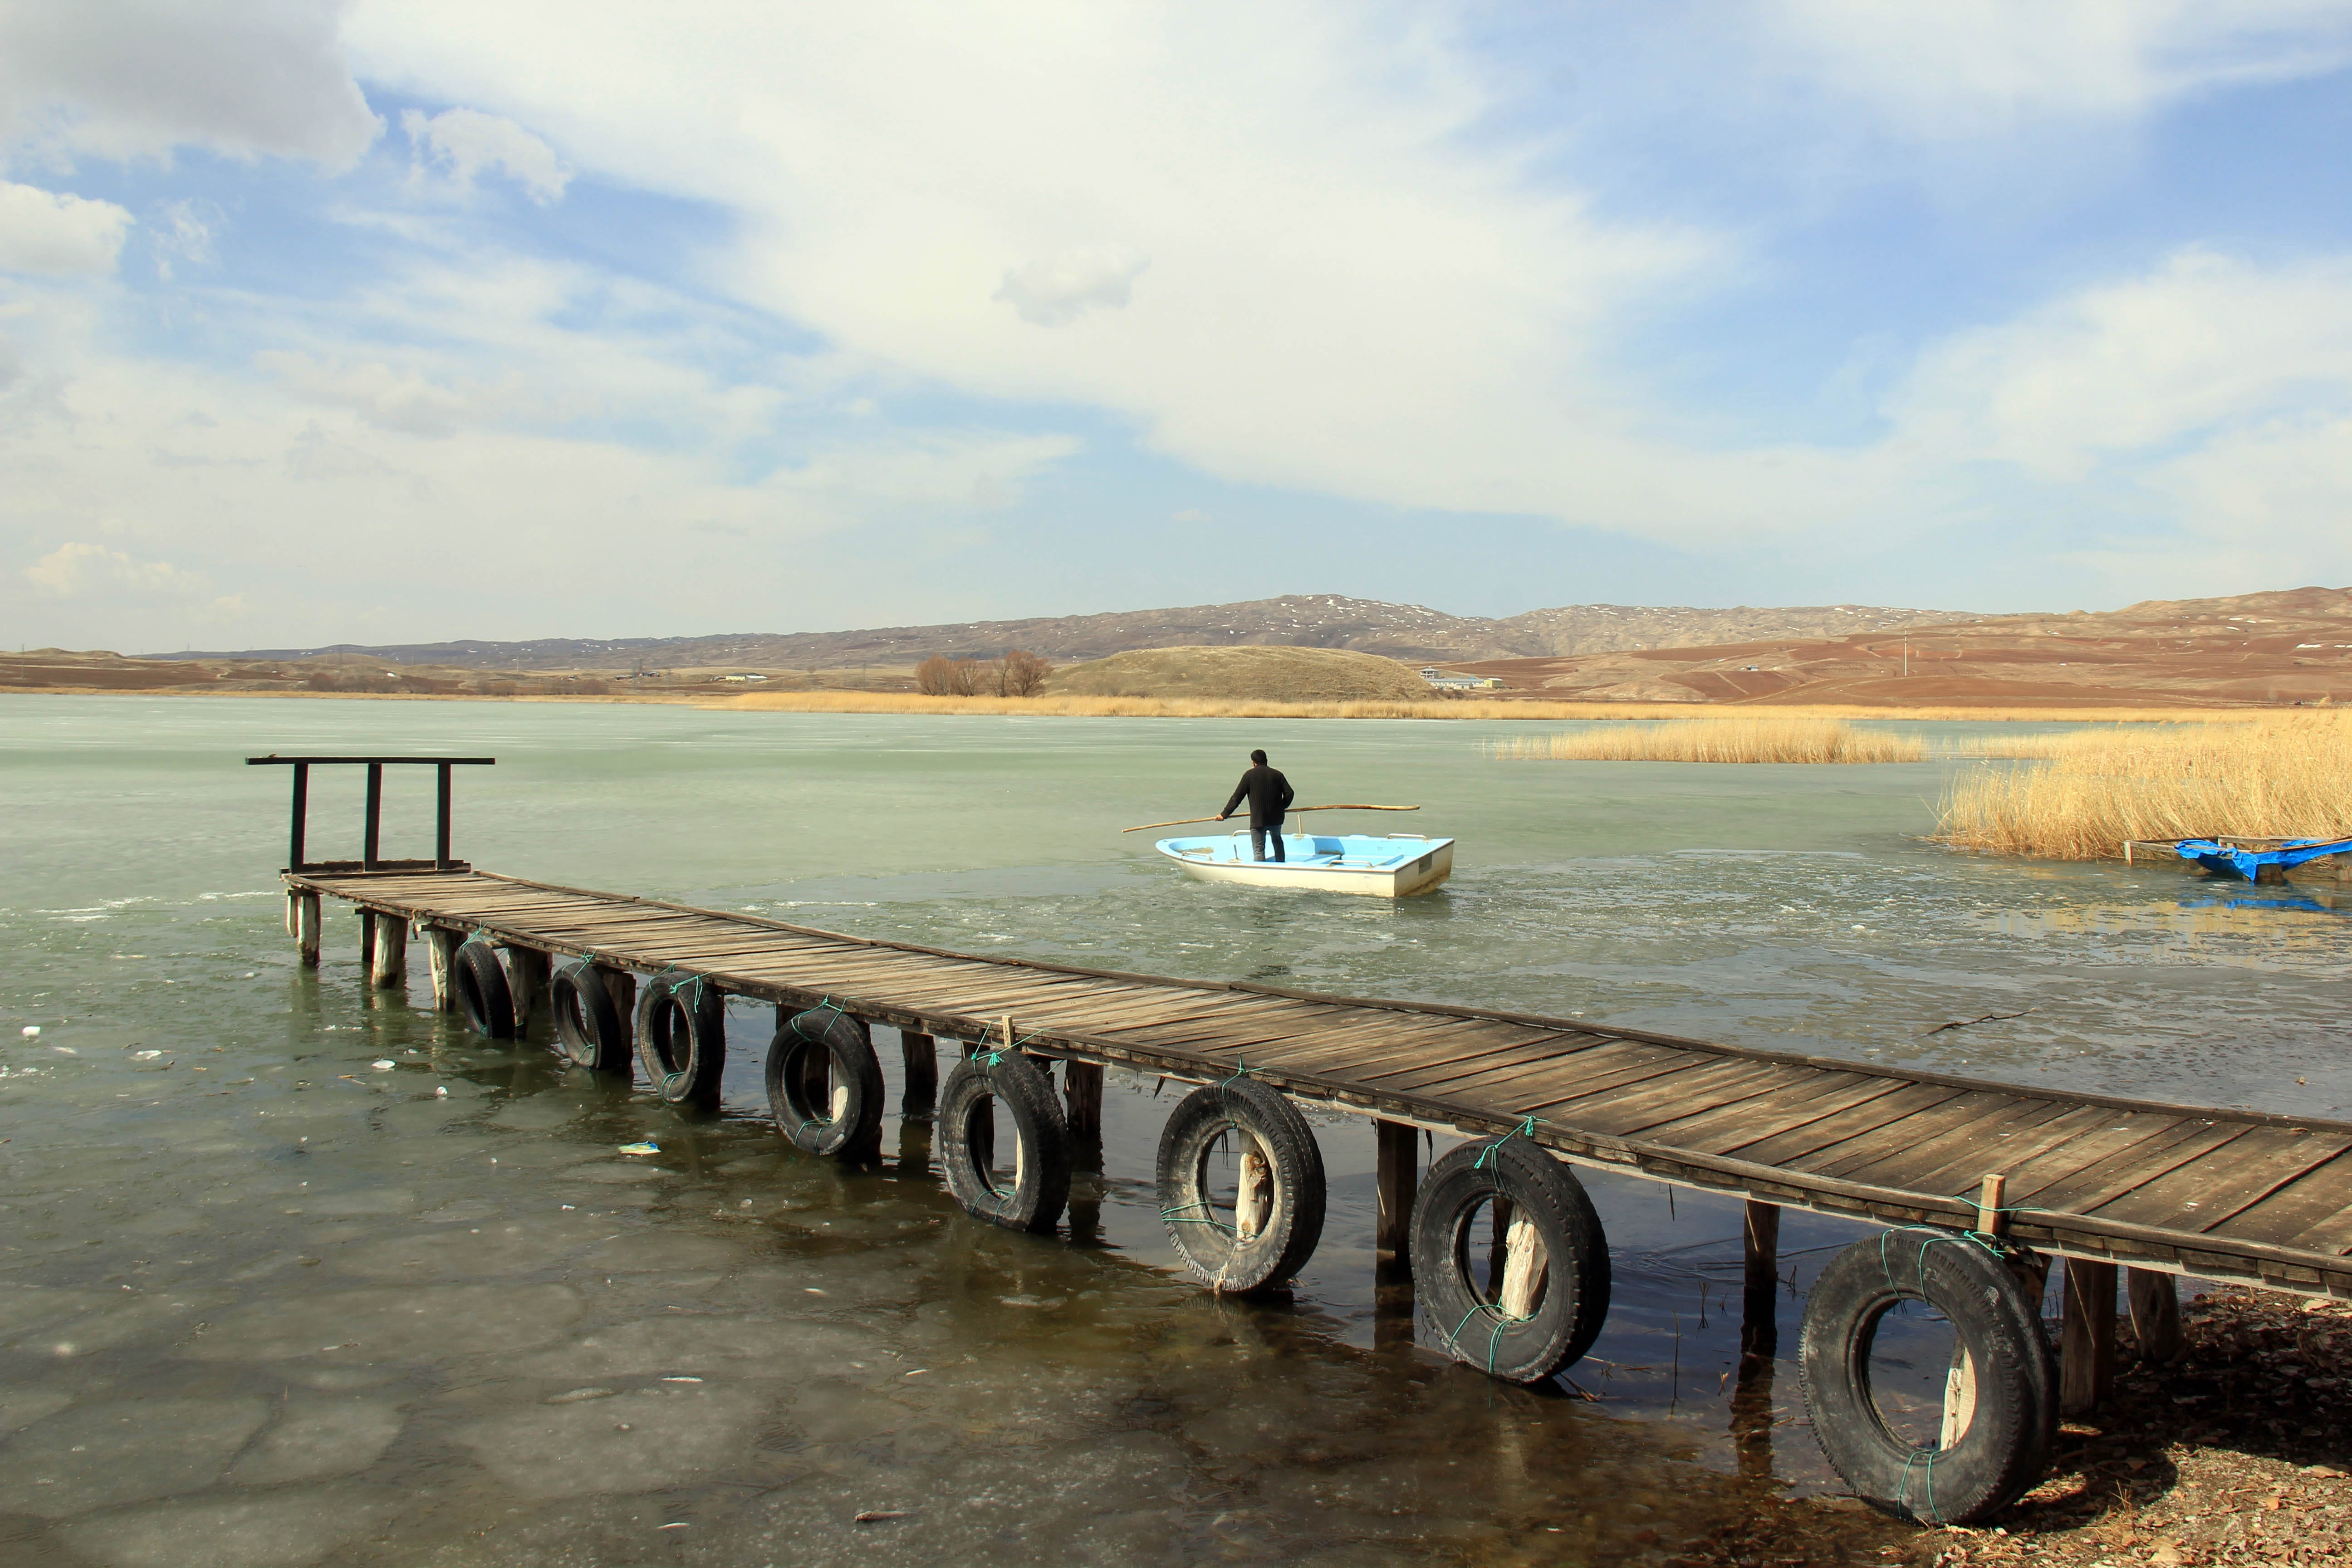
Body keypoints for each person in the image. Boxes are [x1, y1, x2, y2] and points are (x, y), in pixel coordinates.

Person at [1219, 748, 1296, 862]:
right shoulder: (1278, 775)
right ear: (1267, 760)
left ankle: (1260, 870)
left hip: (1258, 819)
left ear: (1253, 762)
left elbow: (1236, 799)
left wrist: (1224, 814)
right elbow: (1290, 793)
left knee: (1259, 849)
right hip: (1276, 818)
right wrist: (1282, 807)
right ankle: (1281, 865)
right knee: (1277, 841)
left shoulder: (1249, 775)